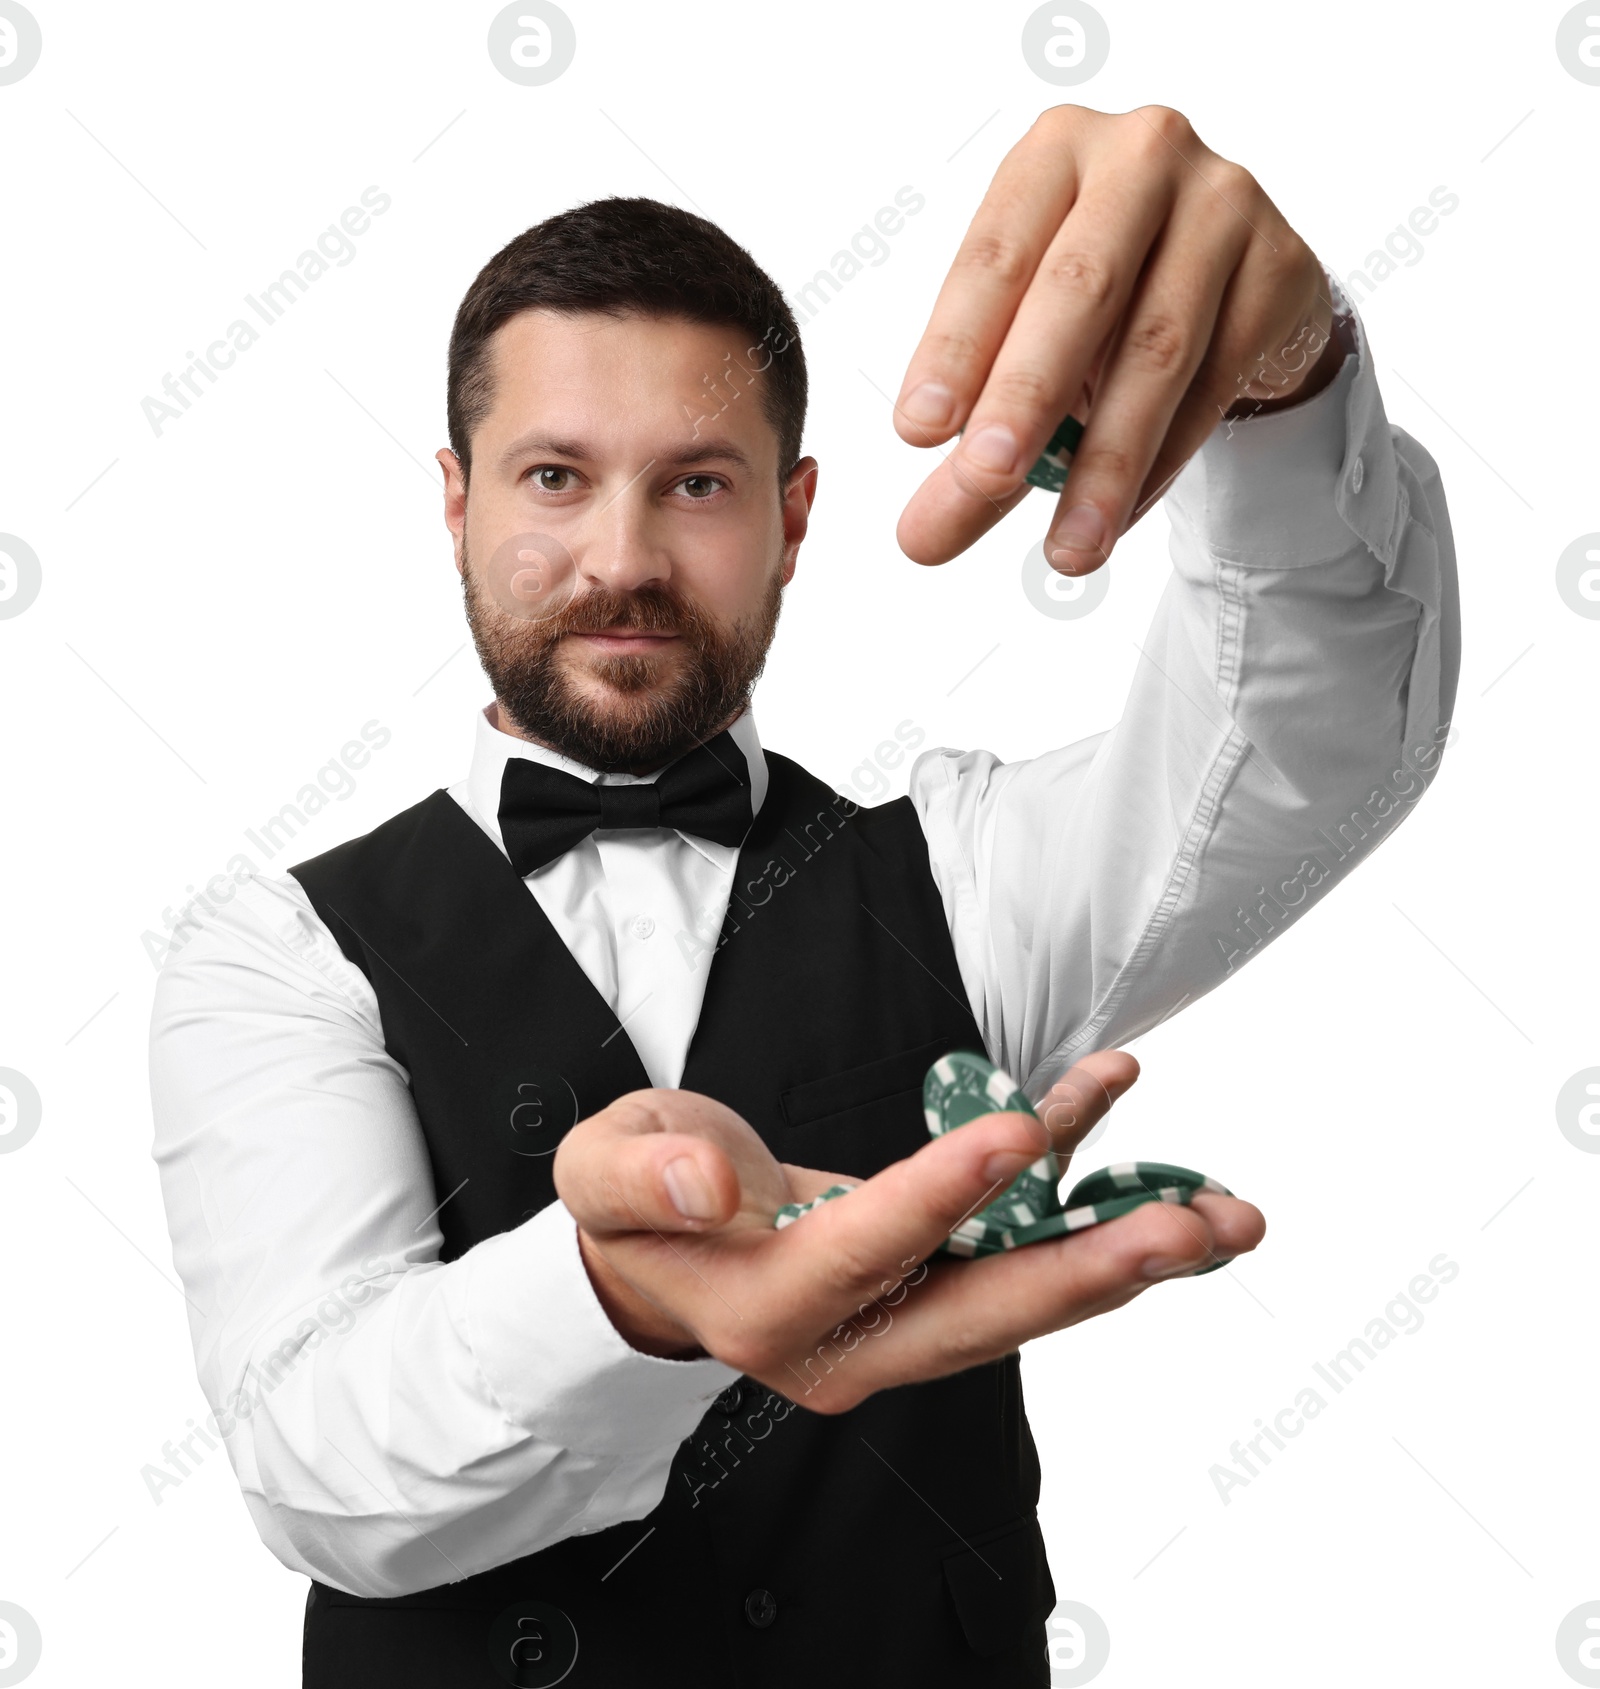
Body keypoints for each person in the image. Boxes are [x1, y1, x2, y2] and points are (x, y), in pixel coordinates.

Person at [149, 103, 1458, 1687]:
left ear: (792, 515)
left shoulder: (963, 879)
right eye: (555, 475)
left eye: (696, 485)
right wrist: (619, 1298)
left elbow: (1314, 749)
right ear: (457, 501)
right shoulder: (278, 955)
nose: (619, 558)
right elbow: (317, 1463)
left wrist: (1282, 388)